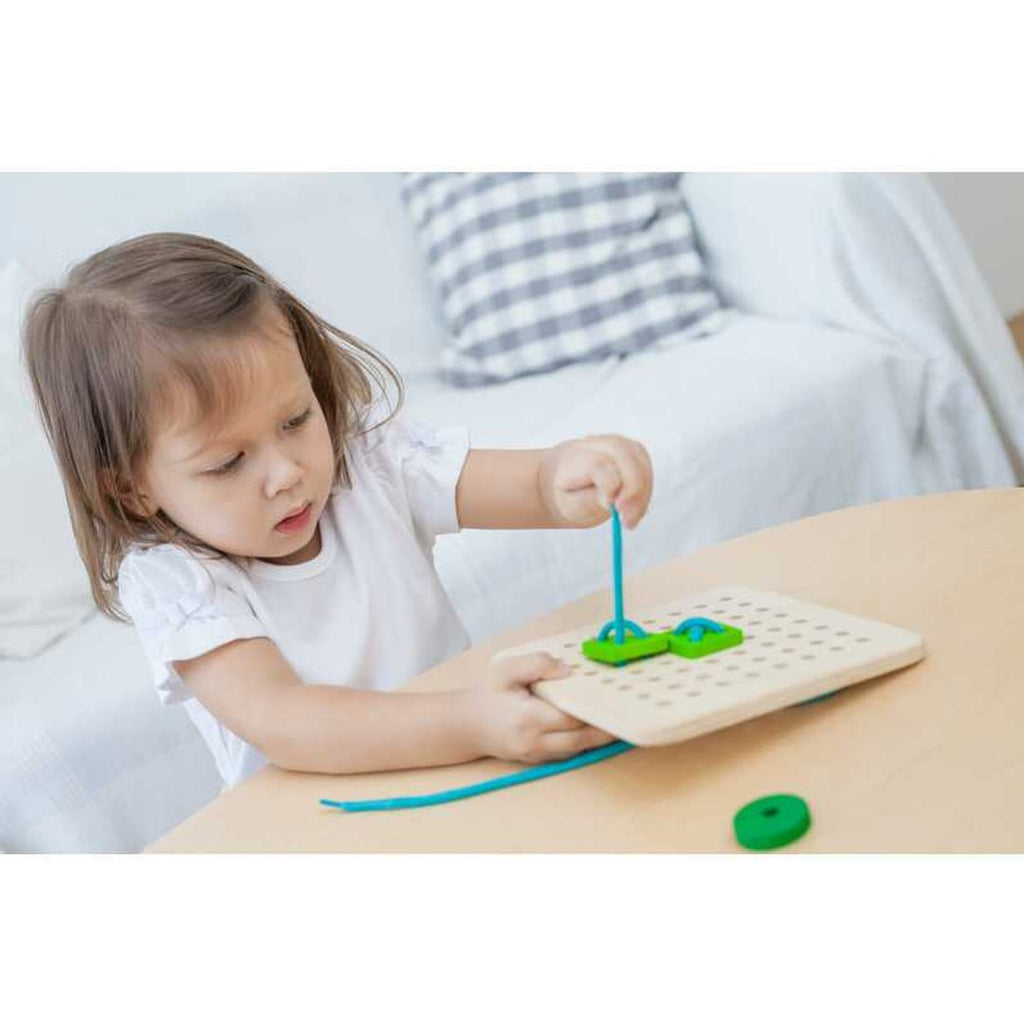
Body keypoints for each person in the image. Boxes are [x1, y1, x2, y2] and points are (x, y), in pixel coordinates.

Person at [21, 232, 654, 788]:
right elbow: (285, 724)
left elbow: (535, 486)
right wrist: (471, 720)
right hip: (319, 825)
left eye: (297, 419)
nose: (287, 473)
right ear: (132, 490)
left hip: (472, 765)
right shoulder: (177, 579)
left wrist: (575, 473)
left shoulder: (371, 467)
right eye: (227, 463)